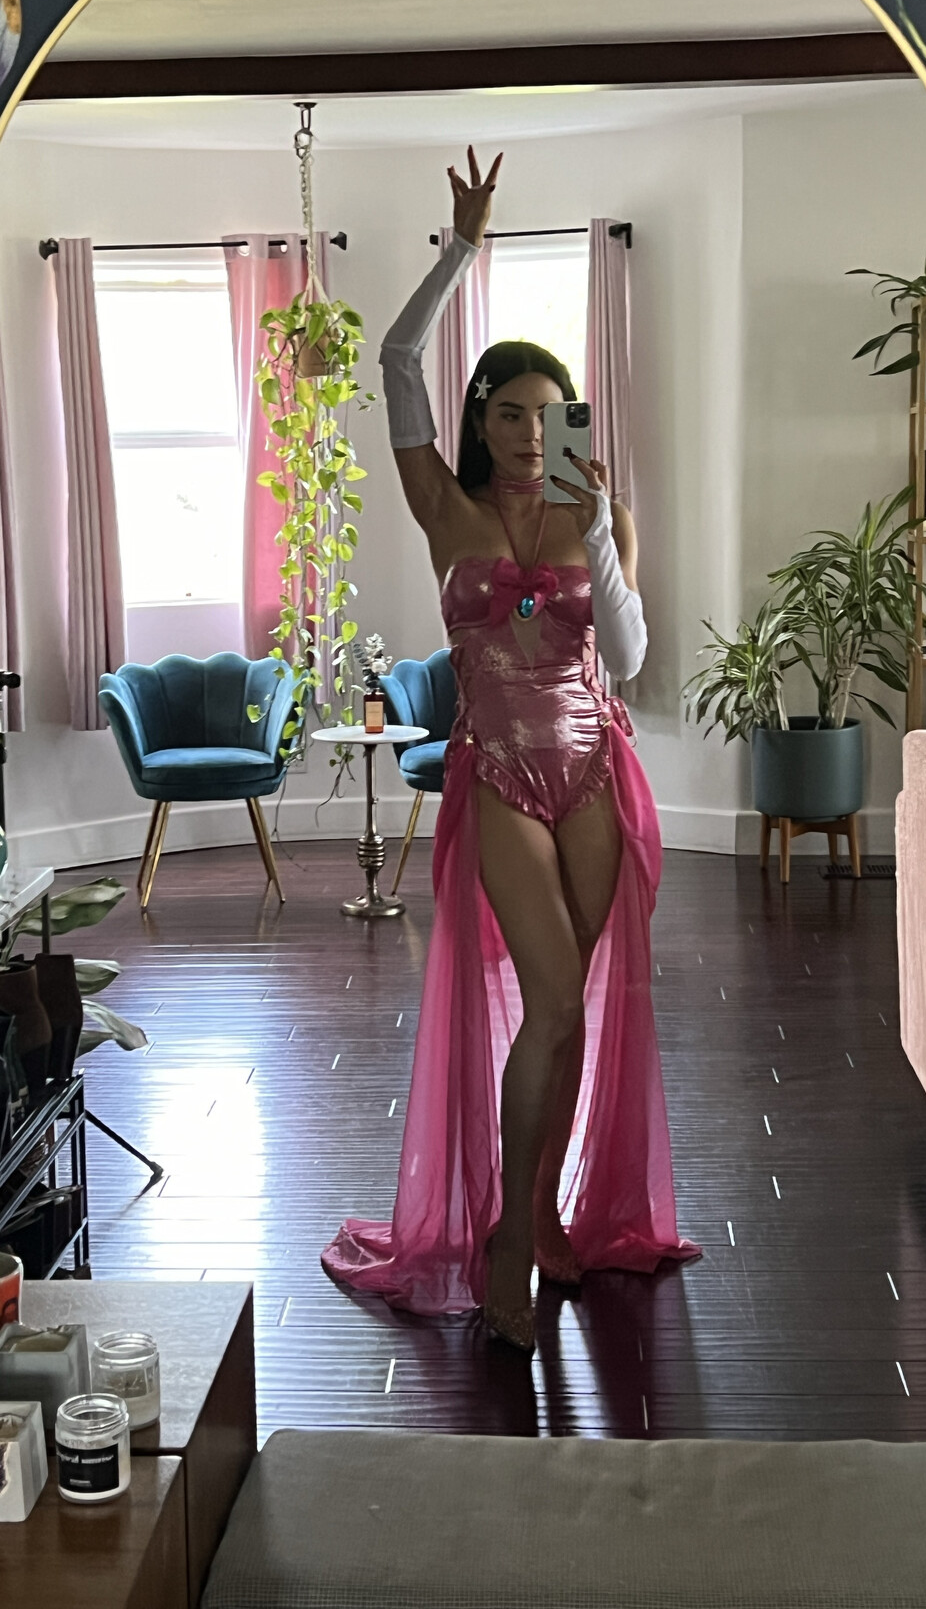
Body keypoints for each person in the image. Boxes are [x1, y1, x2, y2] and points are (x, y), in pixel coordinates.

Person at [321, 150, 701, 1350]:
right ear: (480, 420)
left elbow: (626, 656)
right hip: (498, 769)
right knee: (547, 999)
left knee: (572, 1012)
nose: (532, 435)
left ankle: (539, 1213)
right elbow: (396, 360)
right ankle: (498, 1247)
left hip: (594, 768)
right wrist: (462, 250)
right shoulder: (447, 508)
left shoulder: (600, 512)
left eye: (550, 416)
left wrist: (601, 539)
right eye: (510, 414)